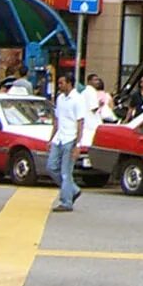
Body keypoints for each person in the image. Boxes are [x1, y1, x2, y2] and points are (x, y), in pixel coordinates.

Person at [47, 74, 89, 213]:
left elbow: (80, 123)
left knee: (66, 172)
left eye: (61, 83)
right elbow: (57, 119)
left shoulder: (77, 100)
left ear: (69, 83)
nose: (59, 86)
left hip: (70, 139)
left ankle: (66, 202)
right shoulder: (60, 99)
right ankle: (73, 189)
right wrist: (51, 137)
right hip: (59, 138)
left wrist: (78, 144)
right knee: (51, 167)